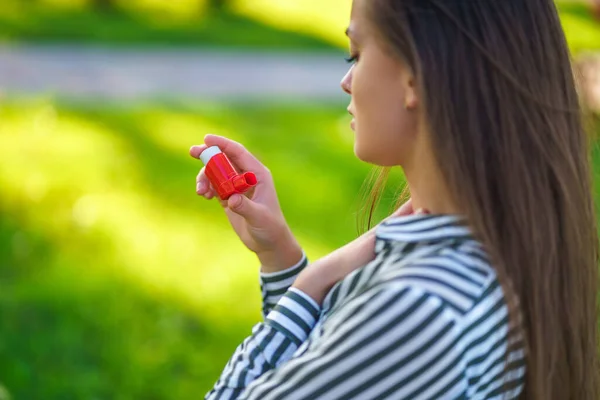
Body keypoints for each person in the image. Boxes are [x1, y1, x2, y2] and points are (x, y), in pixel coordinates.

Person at [190, 0, 599, 398]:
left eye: (356, 55)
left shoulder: (420, 308)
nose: (346, 82)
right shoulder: (502, 244)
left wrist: (309, 283)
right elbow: (330, 369)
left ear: (414, 78)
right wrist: (280, 257)